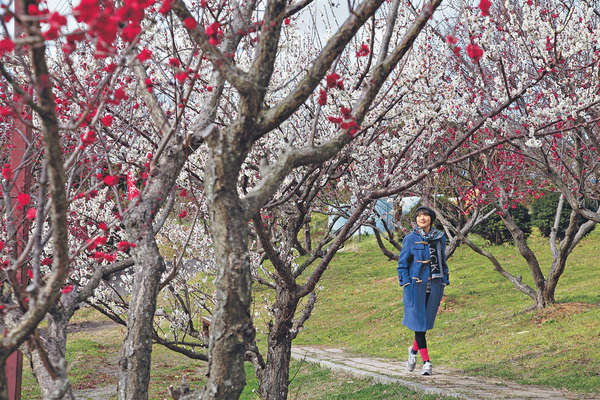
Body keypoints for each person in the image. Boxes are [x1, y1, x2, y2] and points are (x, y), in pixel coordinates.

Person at [396, 206, 449, 375]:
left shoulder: (439, 238)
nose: (421, 218)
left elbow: (443, 261)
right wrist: (405, 283)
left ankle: (412, 352)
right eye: (419, 216)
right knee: (419, 324)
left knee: (423, 325)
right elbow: (402, 264)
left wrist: (445, 281)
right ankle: (426, 362)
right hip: (414, 288)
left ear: (431, 219)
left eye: (425, 215)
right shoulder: (411, 239)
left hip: (434, 287)